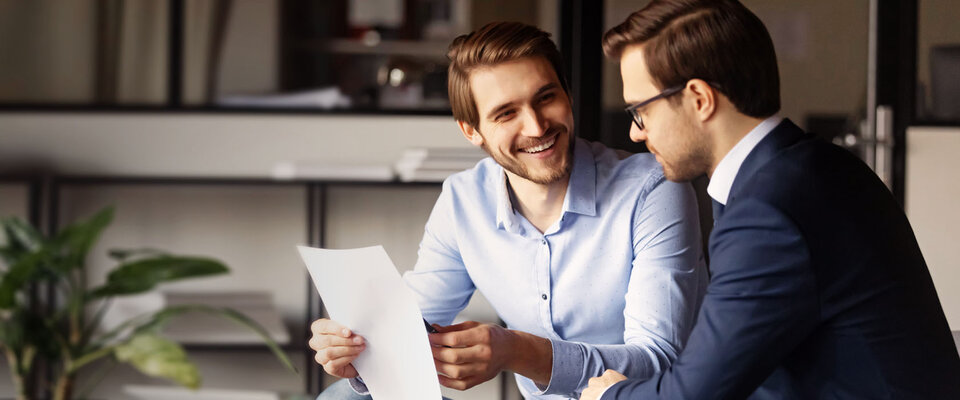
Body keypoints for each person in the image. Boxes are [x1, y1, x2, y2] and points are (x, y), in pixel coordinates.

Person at [581, 1, 960, 399]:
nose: (635, 133)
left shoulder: (769, 210)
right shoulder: (809, 166)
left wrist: (610, 396)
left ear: (699, 98)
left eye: (640, 111)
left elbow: (696, 393)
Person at [310, 22, 708, 399]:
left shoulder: (653, 188)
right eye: (506, 113)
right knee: (345, 395)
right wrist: (358, 354)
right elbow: (406, 328)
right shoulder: (463, 200)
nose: (536, 127)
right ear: (471, 130)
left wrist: (517, 351)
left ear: (567, 94)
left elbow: (659, 362)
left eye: (546, 98)